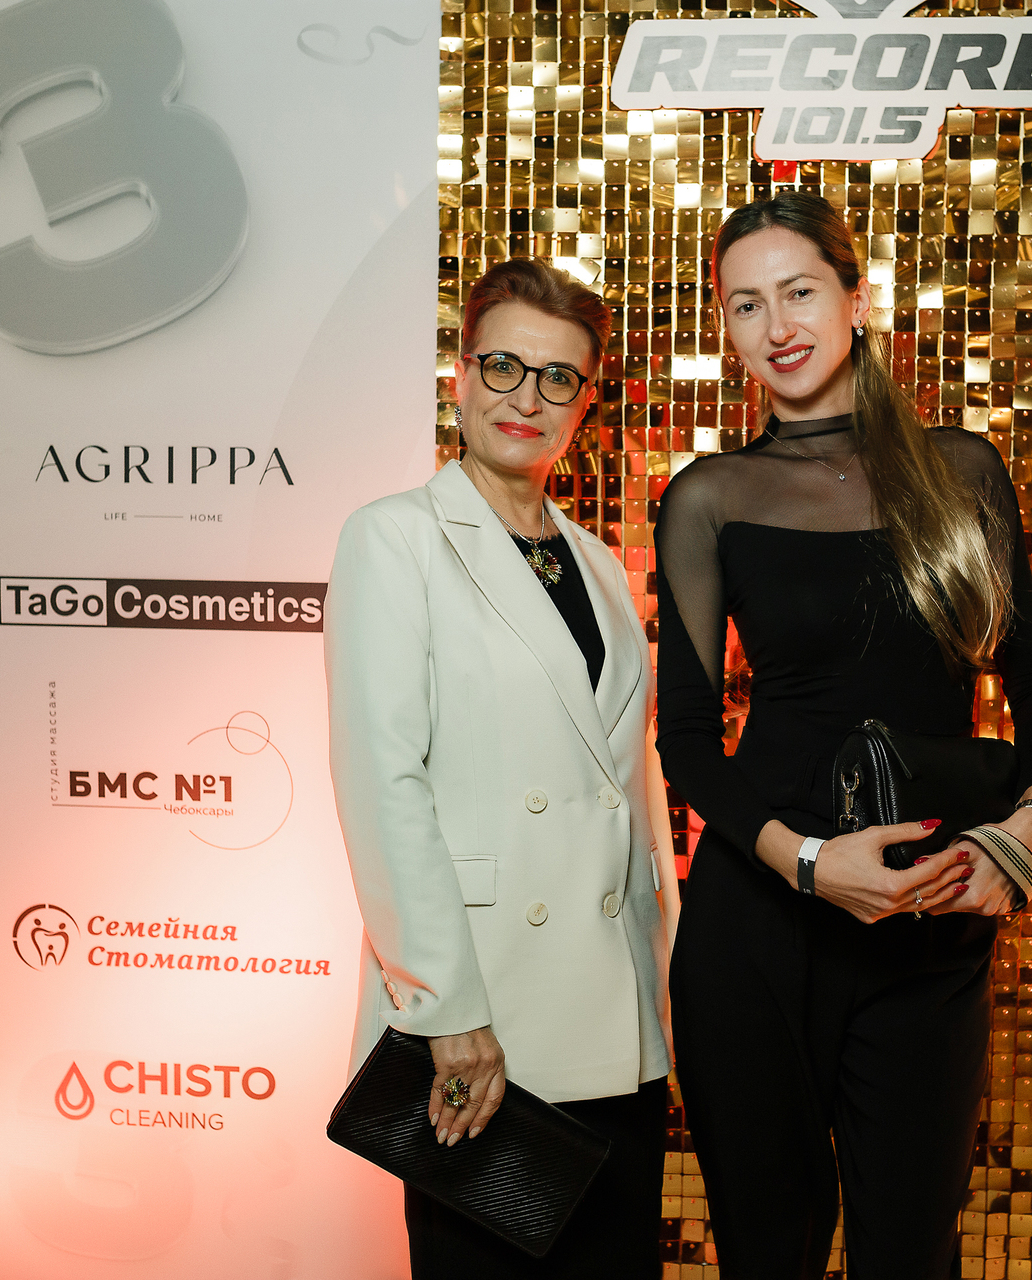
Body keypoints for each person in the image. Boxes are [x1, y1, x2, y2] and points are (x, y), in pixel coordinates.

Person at [655, 190, 1032, 1278]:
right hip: (757, 922)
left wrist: (1023, 831)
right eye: (746, 304)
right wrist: (806, 862)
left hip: (928, 927)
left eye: (798, 291)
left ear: (856, 295)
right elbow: (688, 739)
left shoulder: (962, 471)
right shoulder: (708, 497)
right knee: (770, 1253)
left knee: (910, 1252)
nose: (777, 325)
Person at [325, 259, 676, 1279]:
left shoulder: (597, 562)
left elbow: (630, 792)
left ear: (586, 402)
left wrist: (668, 990)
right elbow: (383, 783)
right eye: (504, 366)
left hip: (617, 1020)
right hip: (484, 1023)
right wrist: (445, 1008)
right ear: (462, 374)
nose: (527, 397)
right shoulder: (394, 538)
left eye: (558, 377)